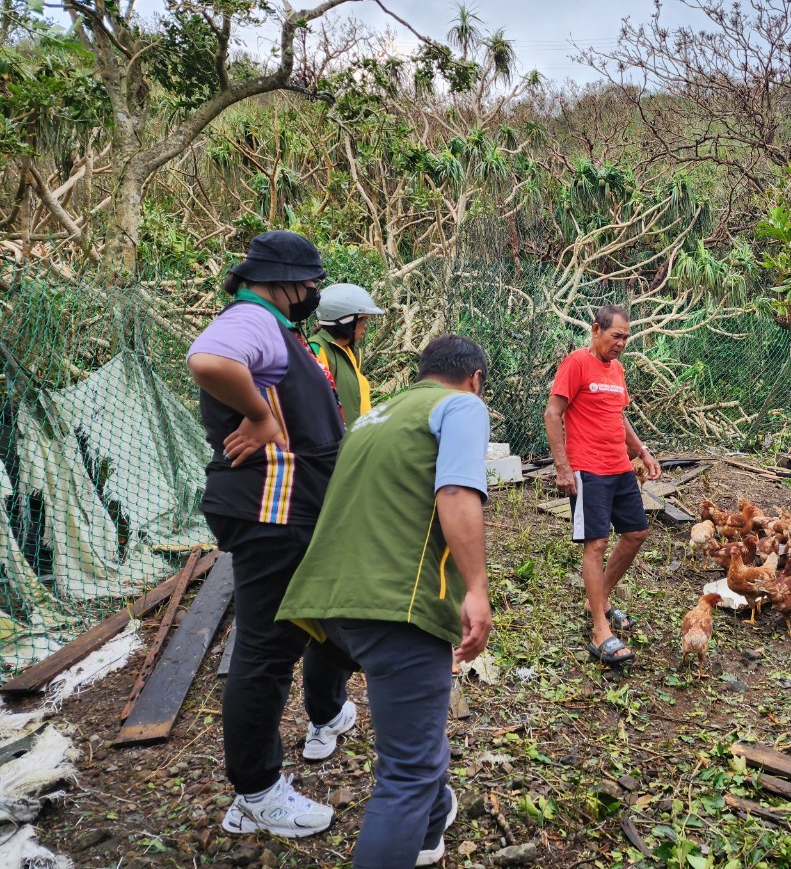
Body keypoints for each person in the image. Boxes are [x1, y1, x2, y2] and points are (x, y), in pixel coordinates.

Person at [277, 334, 494, 869]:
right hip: (393, 605)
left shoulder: (375, 416)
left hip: (328, 604)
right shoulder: (461, 406)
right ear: (475, 379)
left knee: (415, 727)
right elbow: (456, 494)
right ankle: (415, 817)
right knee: (406, 773)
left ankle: (426, 831)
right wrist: (476, 588)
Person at [186, 230, 356, 839]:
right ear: (282, 281)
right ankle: (256, 792)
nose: (312, 293)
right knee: (266, 649)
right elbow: (207, 360)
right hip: (271, 509)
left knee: (301, 630)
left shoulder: (279, 330)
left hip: (287, 510)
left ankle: (322, 717)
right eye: (308, 284)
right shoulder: (253, 317)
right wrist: (260, 416)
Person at [543, 305, 661, 666]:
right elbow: (552, 414)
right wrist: (562, 468)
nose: (622, 343)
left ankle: (600, 599)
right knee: (595, 545)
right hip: (587, 470)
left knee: (637, 533)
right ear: (596, 329)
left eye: (626, 337)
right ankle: (599, 630)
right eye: (616, 336)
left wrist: (641, 450)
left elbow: (618, 416)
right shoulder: (576, 363)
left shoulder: (617, 370)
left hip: (619, 467)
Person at [310, 283, 384, 429]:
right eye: (362, 319)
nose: (365, 326)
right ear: (346, 321)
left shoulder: (347, 351)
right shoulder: (318, 349)